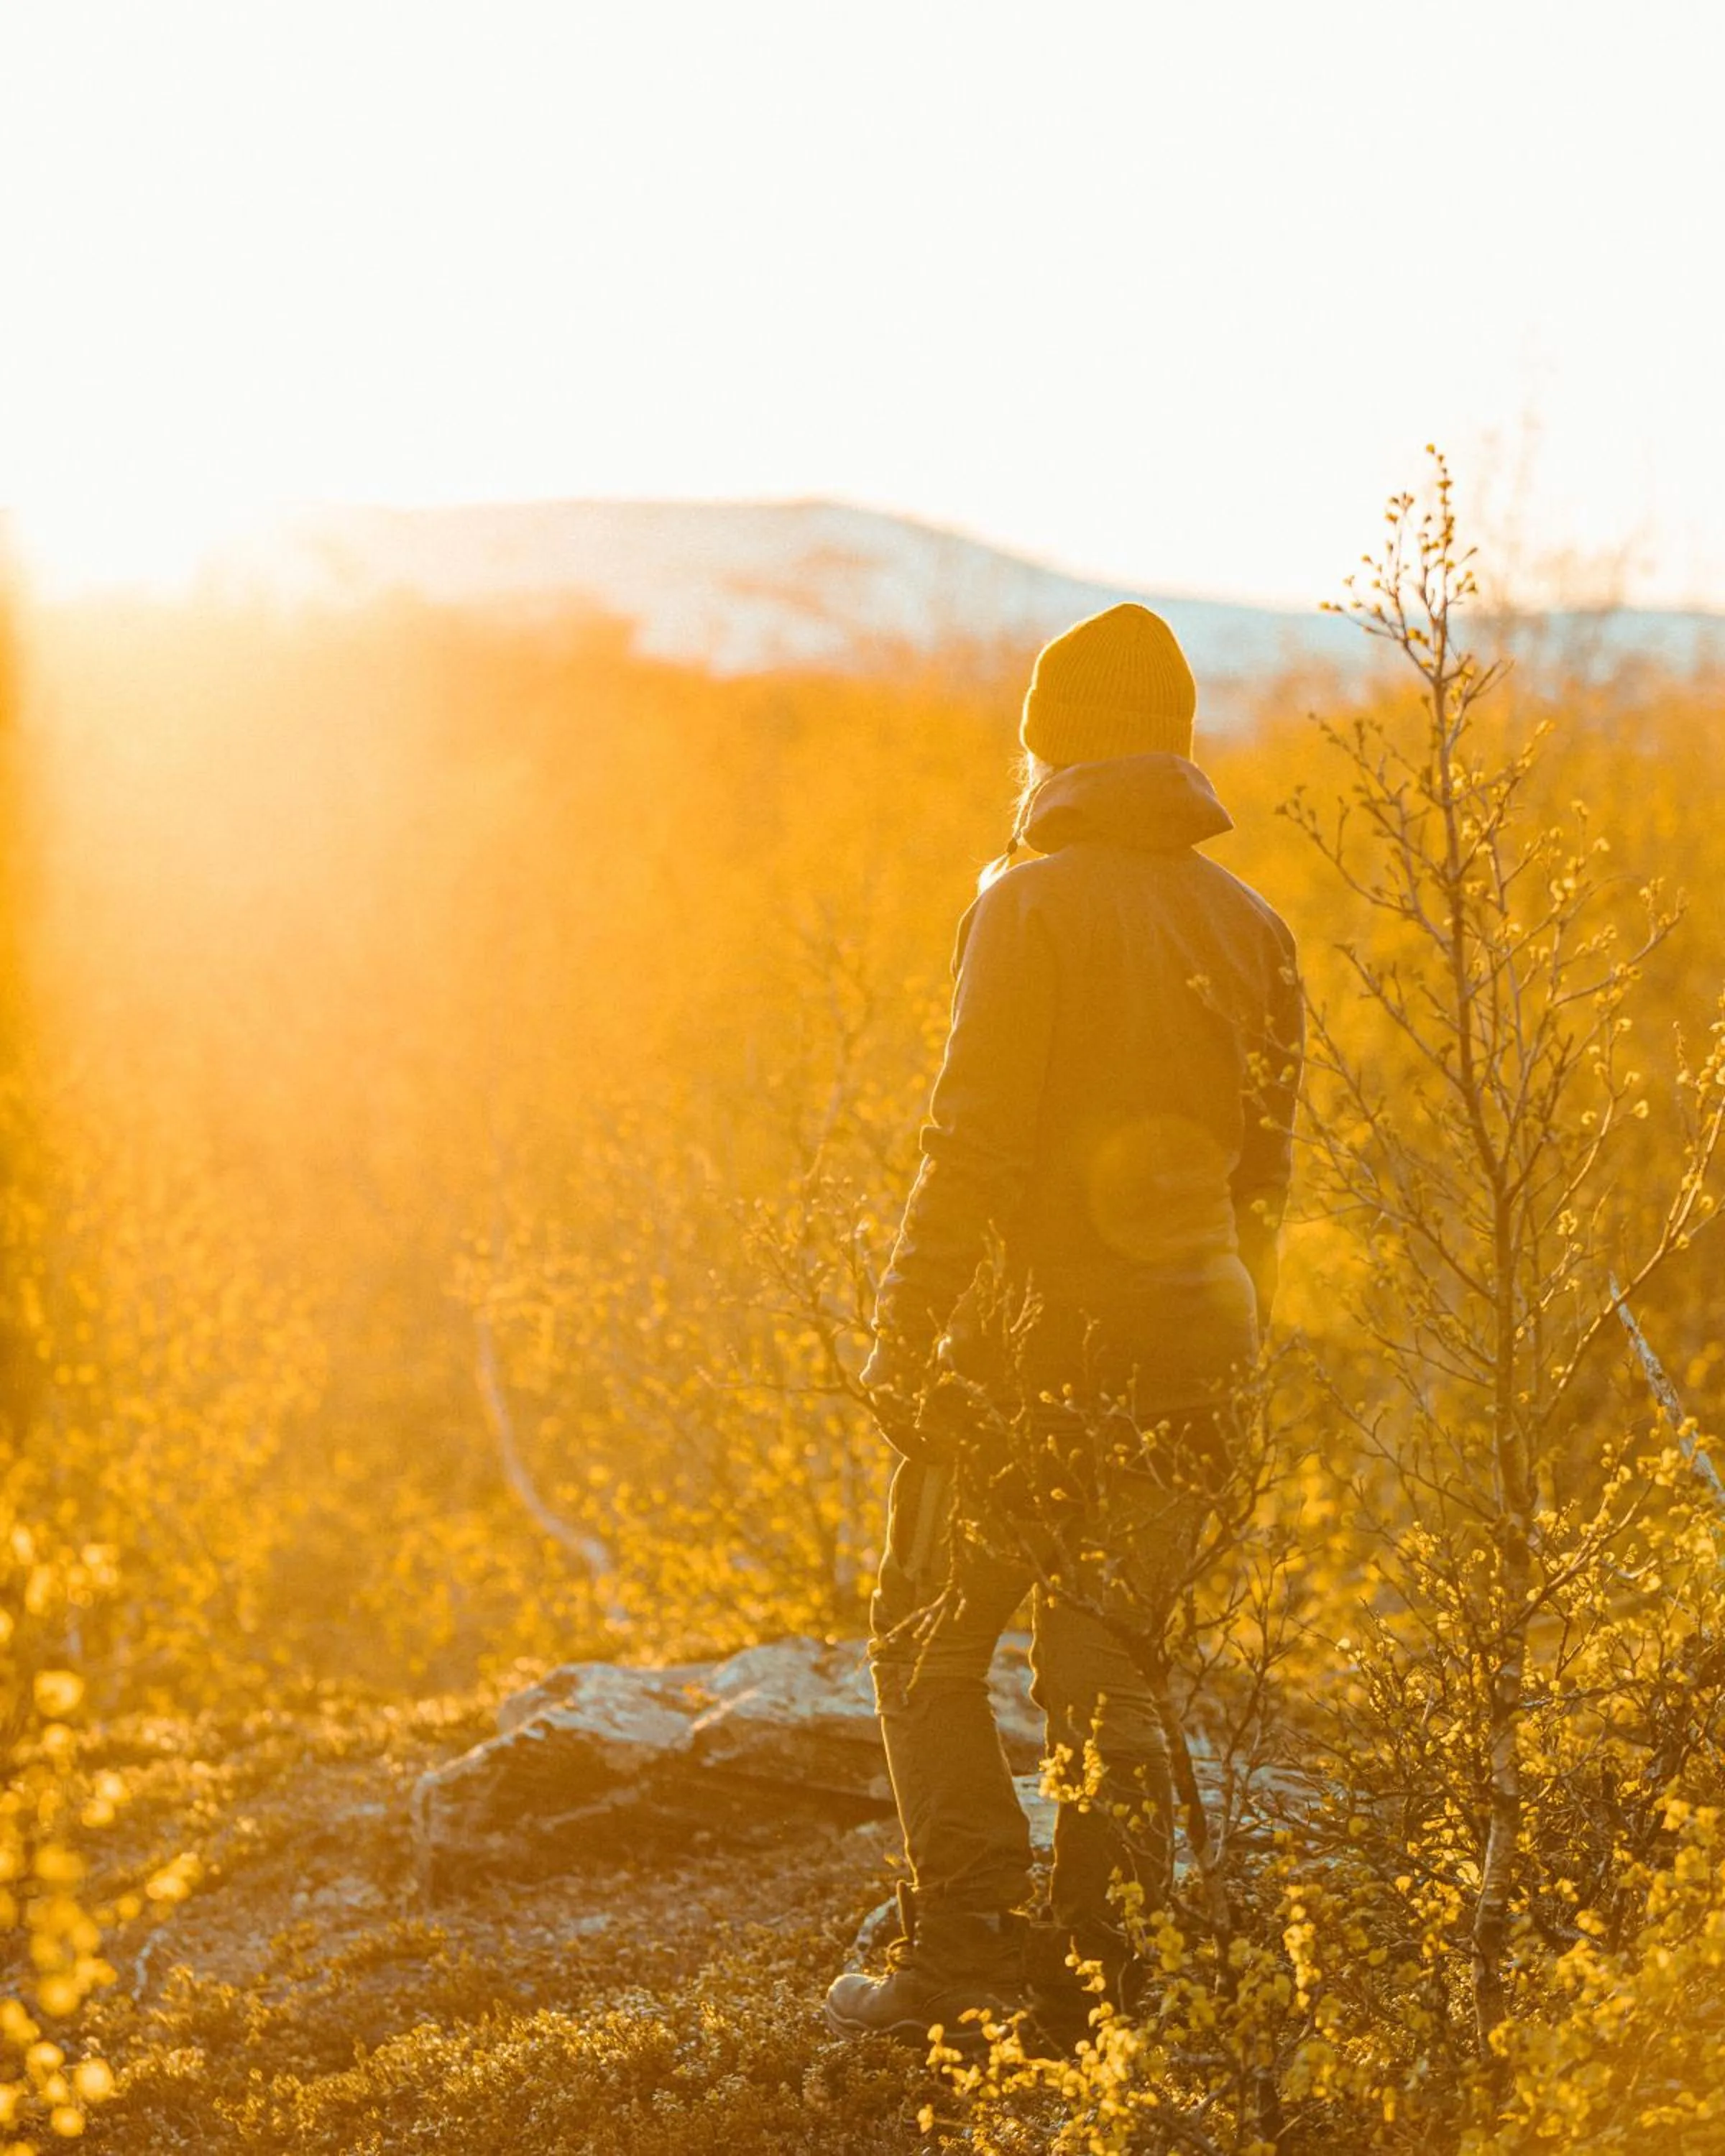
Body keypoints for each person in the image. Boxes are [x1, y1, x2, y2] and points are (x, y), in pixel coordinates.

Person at [822, 602, 1302, 2048]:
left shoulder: (1023, 904)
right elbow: (1269, 1185)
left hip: (1028, 1355)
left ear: (1049, 749)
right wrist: (1236, 1352)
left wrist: (905, 1335)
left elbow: (969, 1148)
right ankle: (1096, 1994)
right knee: (1101, 1669)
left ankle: (960, 1962)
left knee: (922, 1642)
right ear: (1177, 747)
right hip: (1199, 1347)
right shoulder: (1259, 927)